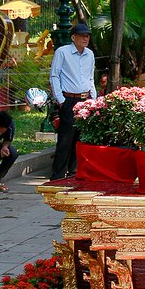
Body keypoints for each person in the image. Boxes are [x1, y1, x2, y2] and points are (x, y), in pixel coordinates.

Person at [49, 23, 95, 180]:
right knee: (65, 140)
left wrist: (93, 100)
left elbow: (91, 78)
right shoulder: (62, 52)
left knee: (81, 138)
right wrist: (61, 99)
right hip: (69, 99)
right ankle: (57, 177)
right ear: (73, 37)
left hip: (86, 99)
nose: (85, 38)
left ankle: (75, 173)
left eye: (87, 35)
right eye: (82, 35)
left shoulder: (90, 54)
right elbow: (54, 76)